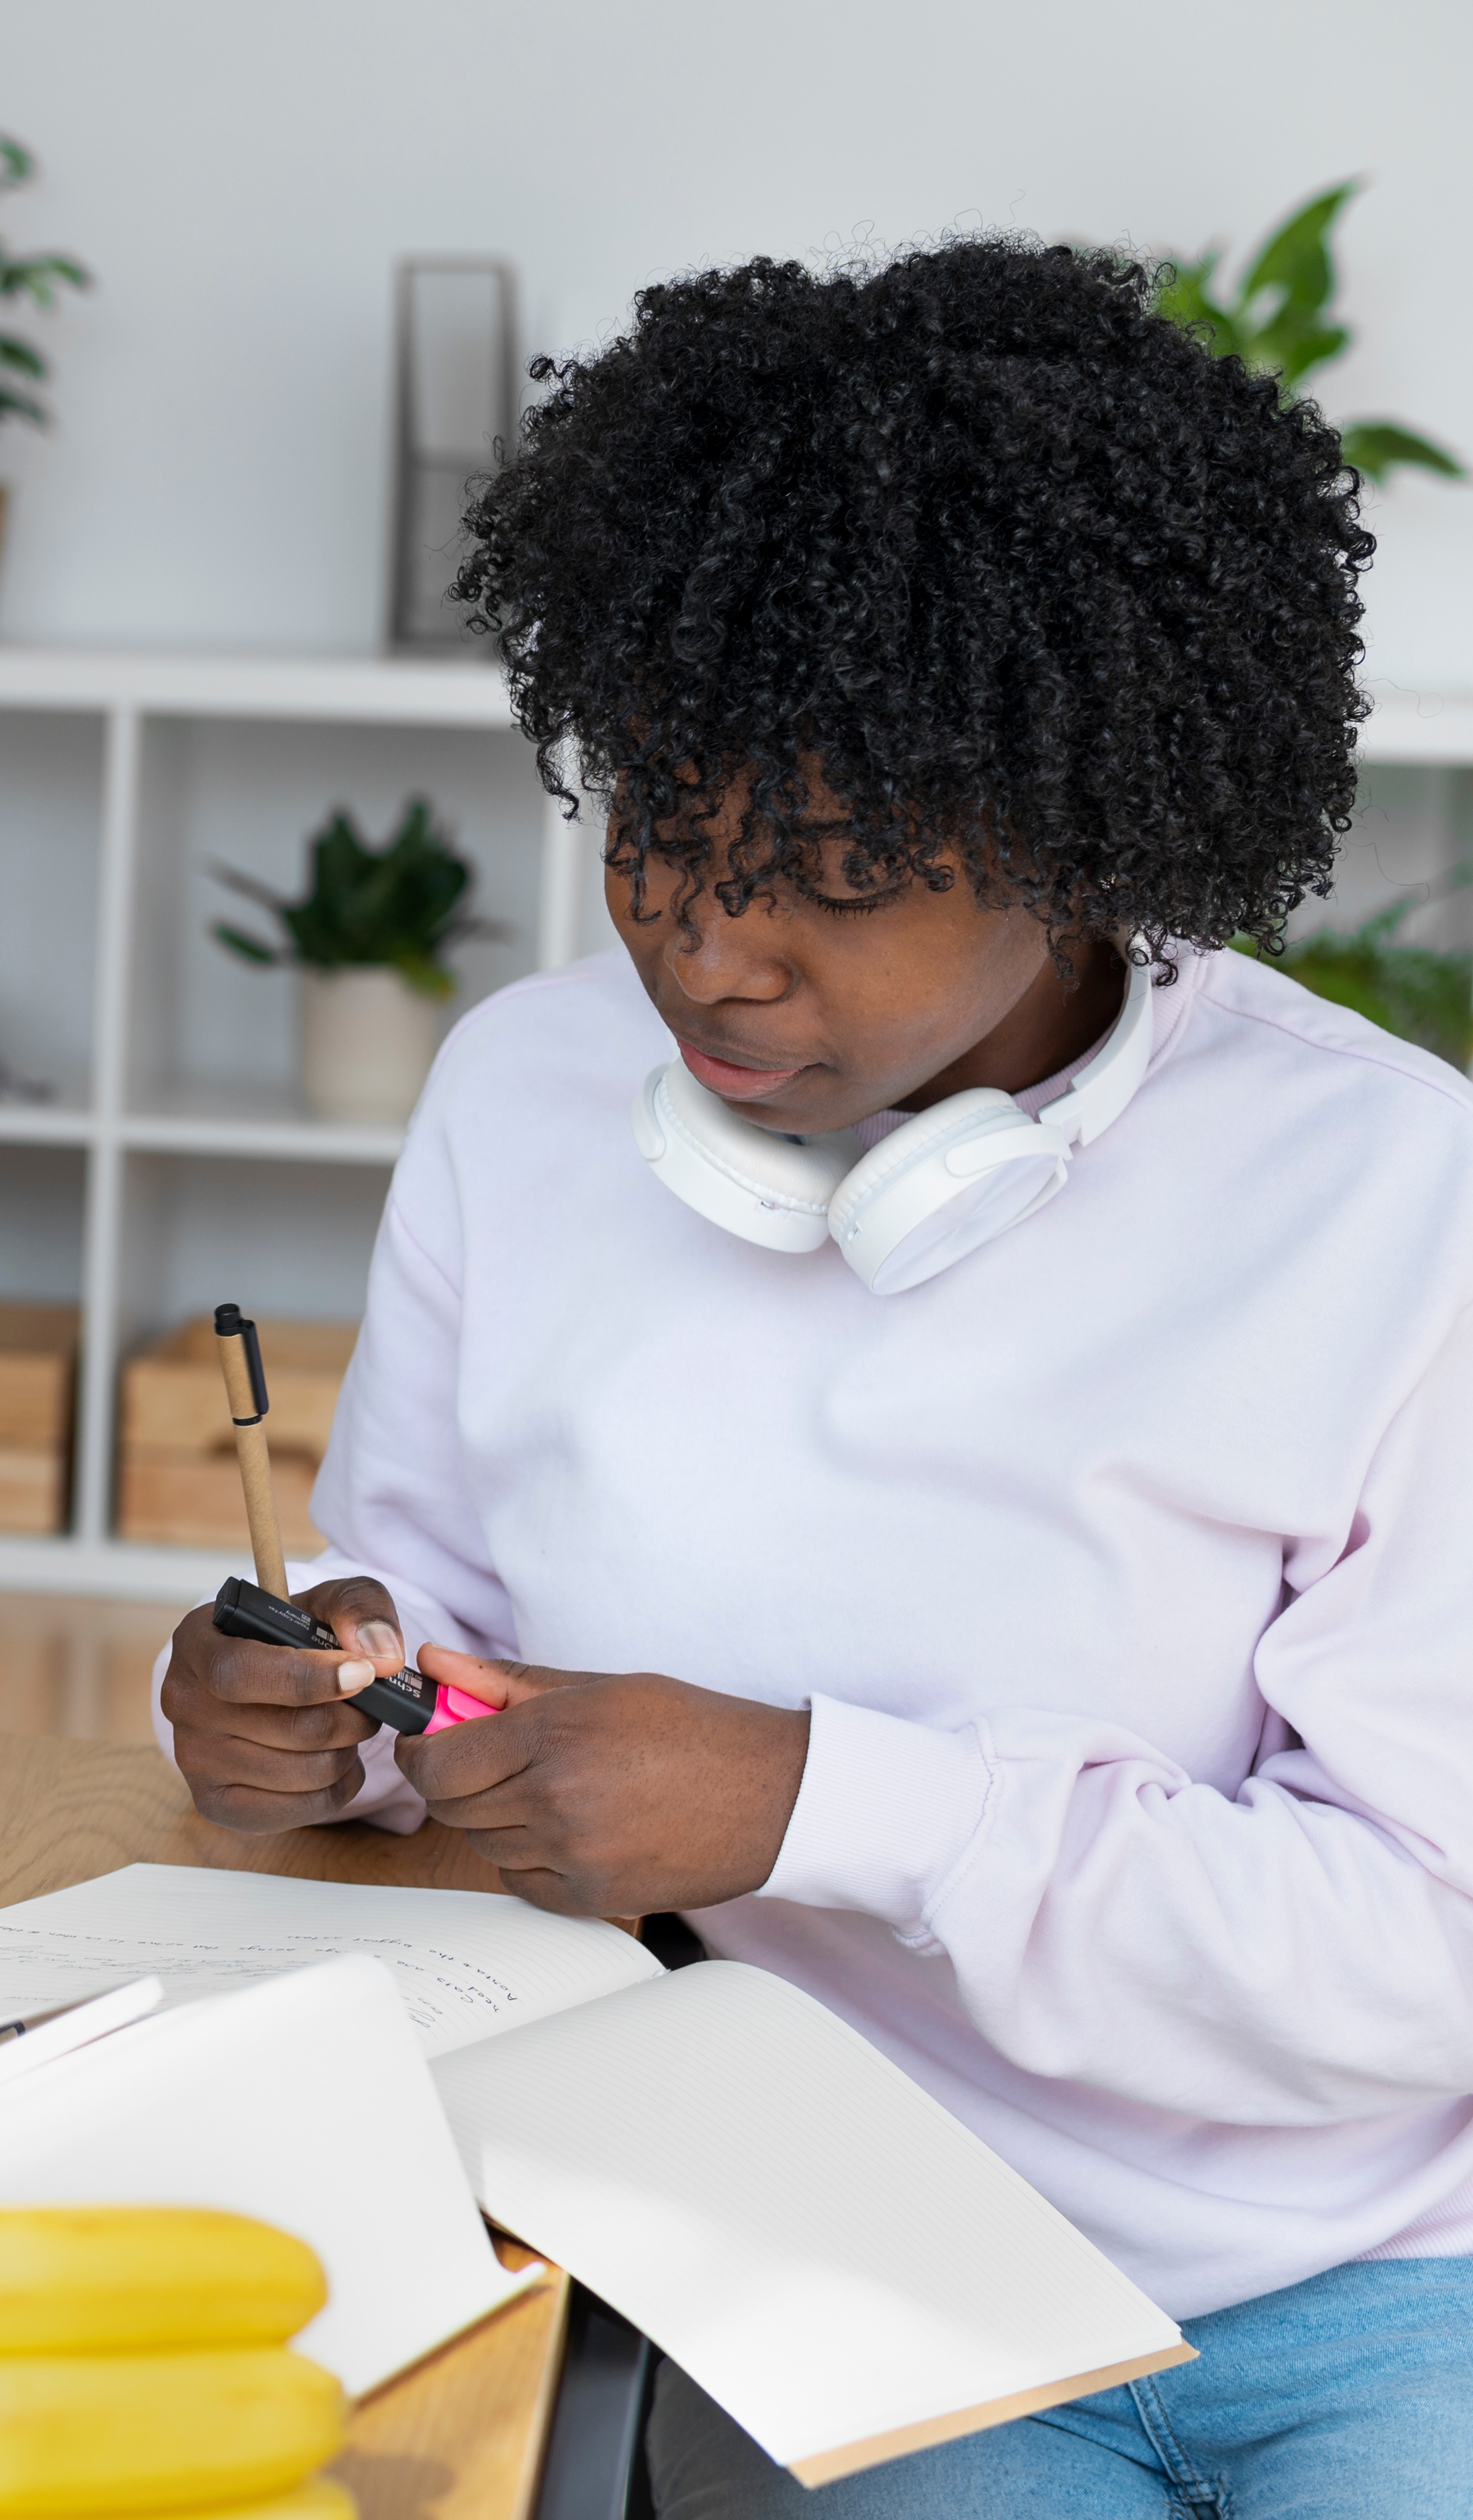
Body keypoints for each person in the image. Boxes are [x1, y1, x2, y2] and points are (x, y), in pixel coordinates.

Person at [160, 240, 1473, 2516]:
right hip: (844, 2245)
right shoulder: (523, 1096)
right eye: (659, 828)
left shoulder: (1391, 1198)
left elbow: (1425, 1952)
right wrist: (322, 1722)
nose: (702, 944)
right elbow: (431, 1641)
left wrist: (818, 1808)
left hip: (1371, 2280)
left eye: (834, 877)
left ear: (1086, 841)